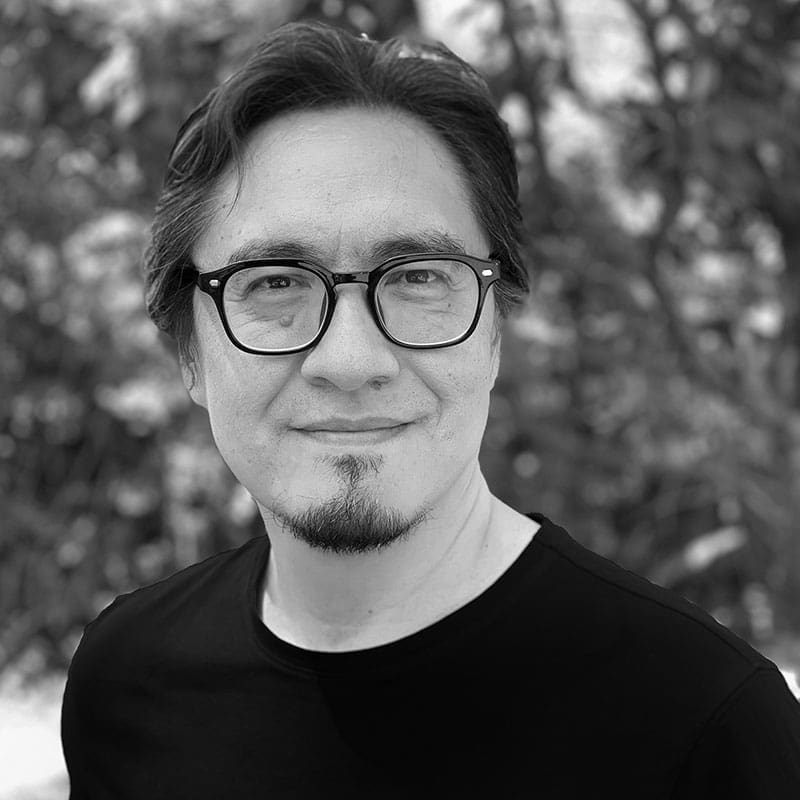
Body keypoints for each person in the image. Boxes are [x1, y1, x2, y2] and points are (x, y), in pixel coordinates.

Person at [61, 20, 800, 799]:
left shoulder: (705, 727)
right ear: (188, 351)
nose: (351, 361)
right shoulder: (126, 682)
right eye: (274, 282)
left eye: (418, 277)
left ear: (496, 331)